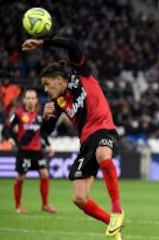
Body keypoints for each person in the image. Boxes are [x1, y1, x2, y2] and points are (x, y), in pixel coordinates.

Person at [21, 38, 125, 240]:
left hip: (104, 130)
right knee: (79, 198)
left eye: (47, 84)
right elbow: (46, 131)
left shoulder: (81, 74)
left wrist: (42, 43)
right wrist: (46, 117)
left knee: (104, 154)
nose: (45, 89)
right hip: (85, 143)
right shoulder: (57, 102)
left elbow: (71, 45)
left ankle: (118, 210)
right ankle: (113, 225)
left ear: (59, 79)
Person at [3, 89, 55, 214]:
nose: (31, 100)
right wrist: (10, 138)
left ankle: (45, 204)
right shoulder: (19, 113)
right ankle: (17, 206)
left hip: (37, 151)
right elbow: (6, 129)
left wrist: (48, 145)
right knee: (20, 178)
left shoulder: (39, 114)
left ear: (36, 100)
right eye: (28, 98)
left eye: (33, 98)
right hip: (24, 151)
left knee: (45, 174)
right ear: (24, 100)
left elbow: (42, 132)